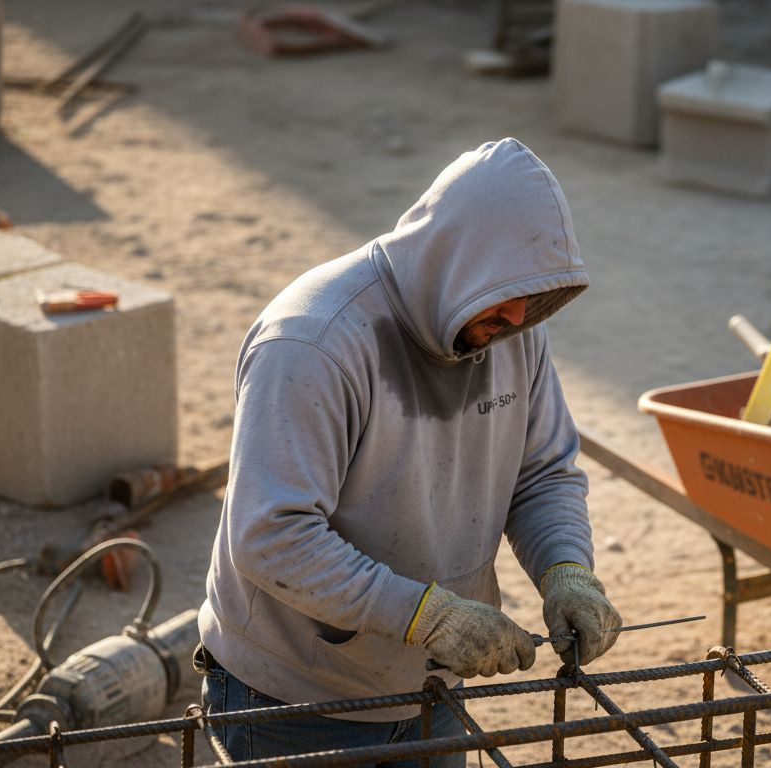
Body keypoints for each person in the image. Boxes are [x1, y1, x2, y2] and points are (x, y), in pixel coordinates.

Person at [196, 138, 622, 766]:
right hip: (296, 698)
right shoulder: (313, 343)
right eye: (500, 291)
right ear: (452, 256)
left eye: (529, 296)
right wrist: (432, 617)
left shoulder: (512, 327)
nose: (515, 314)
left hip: (427, 685)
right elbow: (271, 535)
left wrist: (566, 571)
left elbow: (541, 476)